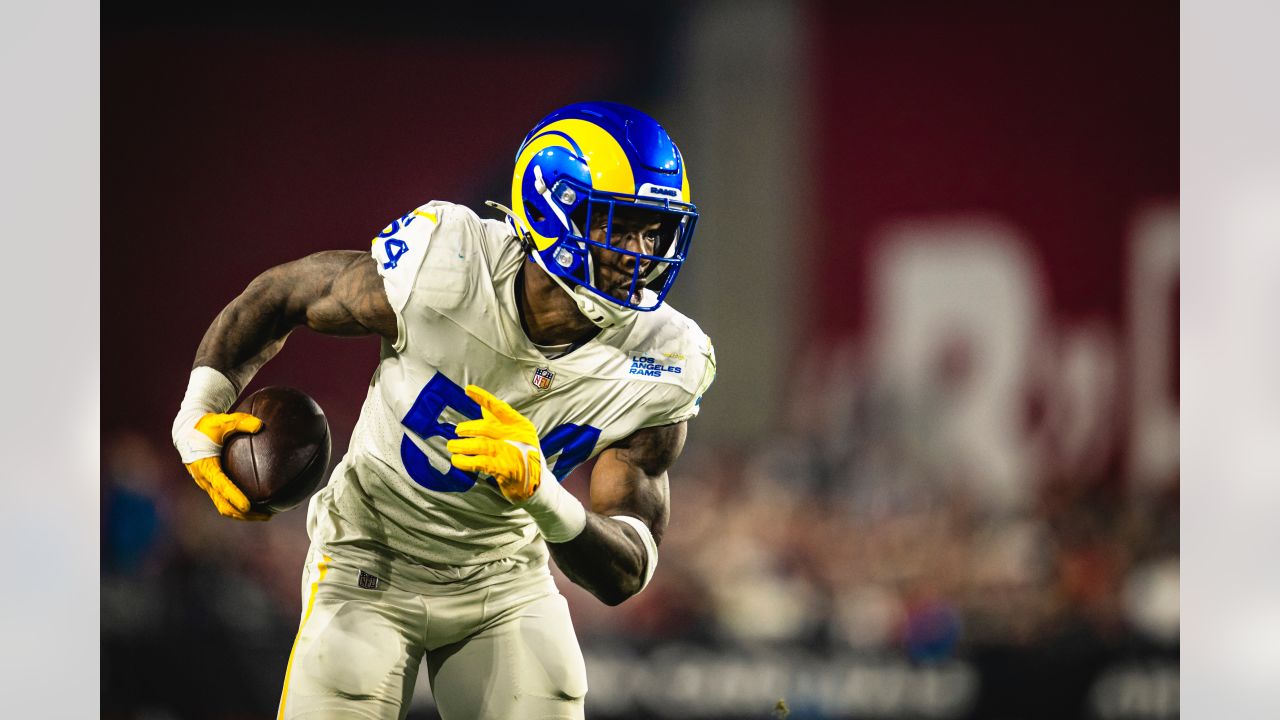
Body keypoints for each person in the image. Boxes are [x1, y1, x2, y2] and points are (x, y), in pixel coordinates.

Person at [170, 101, 716, 719]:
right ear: (551, 206)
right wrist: (197, 412)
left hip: (504, 577)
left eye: (654, 232)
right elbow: (284, 294)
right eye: (618, 226)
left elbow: (626, 570)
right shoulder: (448, 266)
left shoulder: (664, 357)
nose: (638, 254)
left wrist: (544, 496)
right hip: (369, 557)